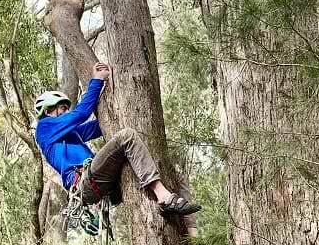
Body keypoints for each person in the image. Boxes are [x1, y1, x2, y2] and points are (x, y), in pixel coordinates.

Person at [34, 62, 200, 224]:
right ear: (48, 111)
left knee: (176, 177)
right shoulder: (44, 128)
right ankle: (164, 196)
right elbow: (82, 113)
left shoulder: (71, 134)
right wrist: (97, 80)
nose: (66, 112)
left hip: (101, 183)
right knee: (127, 136)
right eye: (62, 108)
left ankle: (192, 234)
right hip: (84, 181)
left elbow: (101, 126)